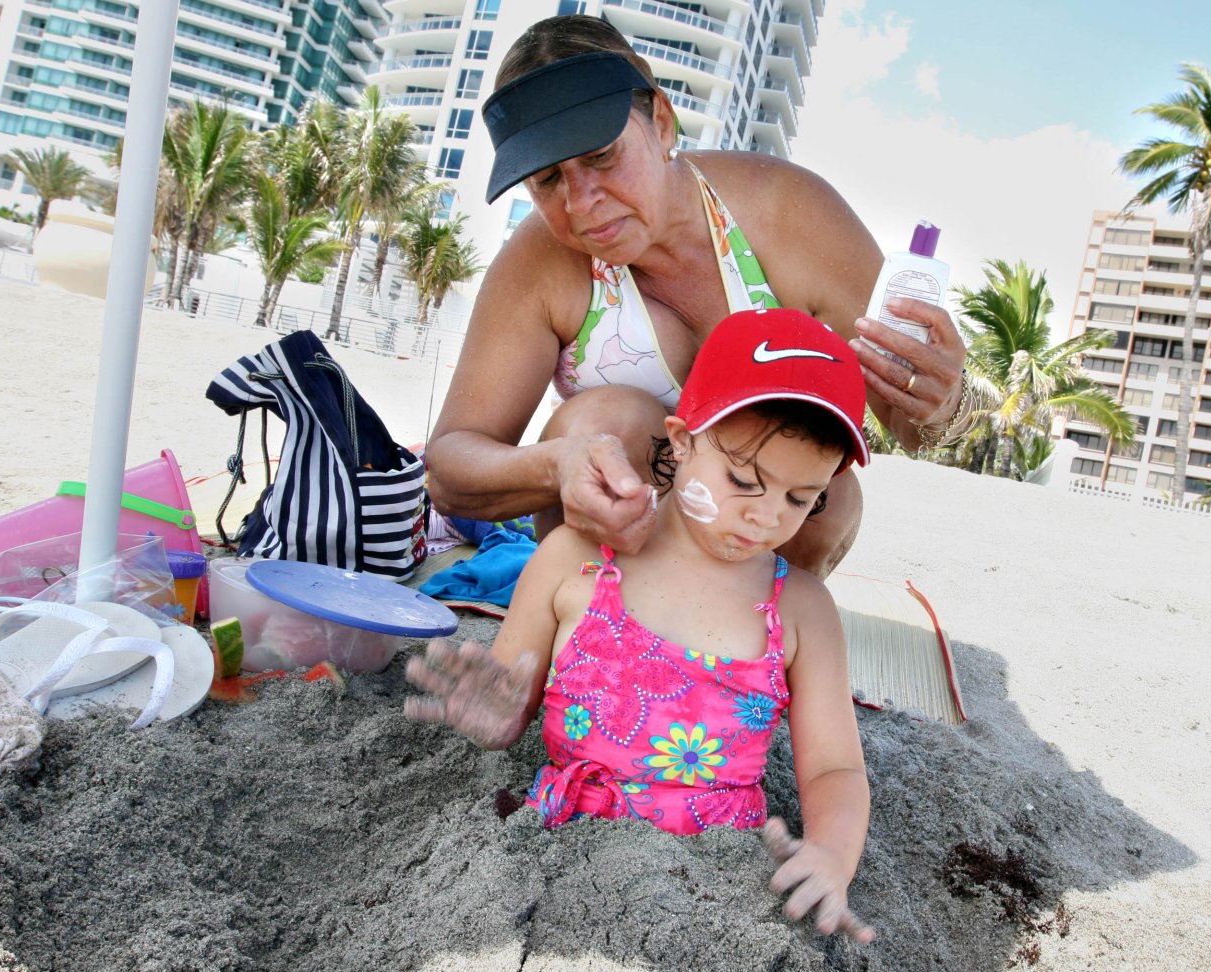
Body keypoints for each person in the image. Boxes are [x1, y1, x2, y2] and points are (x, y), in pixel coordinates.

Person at [425, 15, 970, 579]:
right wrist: (557, 465)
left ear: (661, 123)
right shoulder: (539, 261)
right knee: (605, 420)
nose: (582, 201)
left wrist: (942, 400)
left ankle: (747, 645)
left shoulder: (788, 213)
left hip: (756, 554)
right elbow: (449, 471)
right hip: (606, 567)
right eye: (547, 179)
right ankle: (596, 633)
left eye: (601, 155)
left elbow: (911, 424)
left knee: (833, 499)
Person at [407, 308, 876, 943]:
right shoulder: (575, 558)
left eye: (801, 499)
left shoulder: (801, 609)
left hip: (715, 889)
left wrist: (831, 856)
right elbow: (509, 709)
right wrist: (495, 713)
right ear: (681, 442)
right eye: (744, 480)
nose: (766, 516)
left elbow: (834, 770)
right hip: (557, 853)